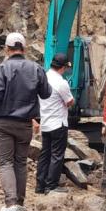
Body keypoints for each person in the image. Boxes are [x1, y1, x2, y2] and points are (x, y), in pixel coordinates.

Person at [0, 32, 51, 211]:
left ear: (7, 49)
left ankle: (10, 203)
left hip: (4, 122)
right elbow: (46, 93)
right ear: (24, 48)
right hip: (25, 124)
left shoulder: (2, 68)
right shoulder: (36, 68)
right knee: (20, 162)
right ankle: (20, 202)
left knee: (6, 162)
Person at [35, 52, 75, 195]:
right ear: (63, 67)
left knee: (44, 155)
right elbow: (69, 101)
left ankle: (40, 186)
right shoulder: (61, 82)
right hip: (58, 123)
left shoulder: (43, 78)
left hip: (45, 123)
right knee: (57, 155)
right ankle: (51, 185)